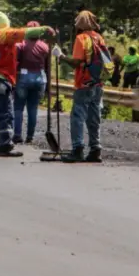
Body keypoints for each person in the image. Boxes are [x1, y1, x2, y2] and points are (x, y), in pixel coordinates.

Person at [0, 11, 54, 157]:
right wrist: (45, 29)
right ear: (6, 24)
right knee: (5, 113)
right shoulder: (5, 34)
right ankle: (6, 145)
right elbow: (26, 32)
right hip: (0, 79)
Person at [54, 10, 107, 163]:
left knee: (77, 116)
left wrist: (61, 56)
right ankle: (95, 149)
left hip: (84, 83)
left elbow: (77, 62)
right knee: (94, 117)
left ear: (79, 24)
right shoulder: (99, 38)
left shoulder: (81, 38)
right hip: (98, 83)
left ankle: (77, 149)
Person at [12, 21, 50, 144]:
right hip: (40, 77)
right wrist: (48, 86)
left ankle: (17, 135)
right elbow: (47, 67)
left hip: (23, 77)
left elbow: (15, 63)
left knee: (18, 107)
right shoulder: (45, 46)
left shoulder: (21, 45)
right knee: (33, 108)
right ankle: (30, 137)